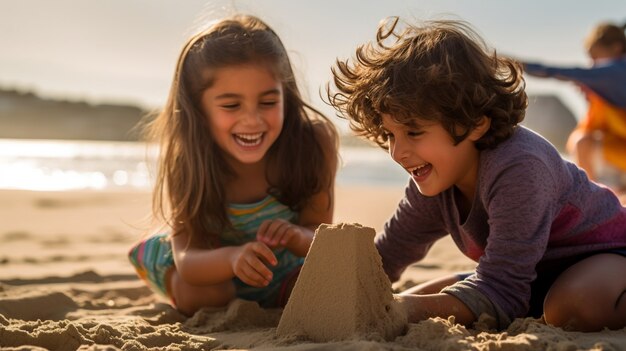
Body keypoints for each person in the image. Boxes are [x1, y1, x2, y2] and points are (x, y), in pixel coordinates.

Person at [327, 17, 626, 332]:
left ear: (474, 123)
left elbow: (502, 289)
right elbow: (386, 257)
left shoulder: (519, 166)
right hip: (532, 277)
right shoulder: (434, 179)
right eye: (390, 135)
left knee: (575, 306)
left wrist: (401, 310)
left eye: (413, 132)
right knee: (398, 300)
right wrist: (333, 294)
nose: (397, 152)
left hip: (609, 256)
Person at [128, 14, 338, 316]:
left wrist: (296, 237)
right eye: (230, 105)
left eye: (268, 102)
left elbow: (321, 235)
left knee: (318, 291)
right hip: (211, 270)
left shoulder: (313, 144)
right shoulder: (189, 159)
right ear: (199, 109)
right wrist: (232, 259)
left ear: (286, 95)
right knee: (207, 295)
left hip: (282, 270)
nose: (252, 120)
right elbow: (189, 258)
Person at [523, 21, 626, 192]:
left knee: (581, 142)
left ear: (616, 48)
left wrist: (522, 65)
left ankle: (593, 198)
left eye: (595, 58)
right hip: (618, 148)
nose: (592, 65)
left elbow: (572, 73)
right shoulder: (608, 81)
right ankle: (602, 193)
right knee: (583, 141)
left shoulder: (616, 70)